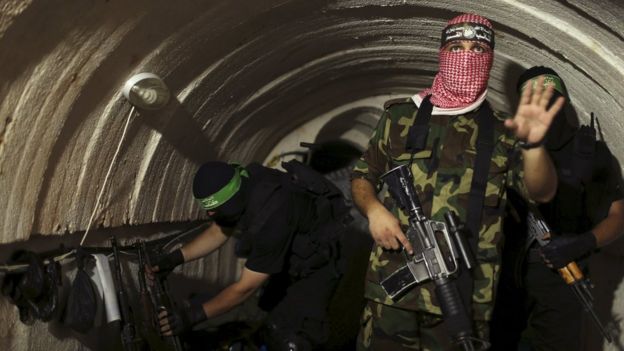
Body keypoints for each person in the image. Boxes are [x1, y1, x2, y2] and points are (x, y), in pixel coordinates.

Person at [351, 13, 564, 350]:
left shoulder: (501, 133)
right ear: (442, 53)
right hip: (393, 290)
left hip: (464, 298)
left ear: (490, 59)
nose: (466, 56)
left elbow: (543, 191)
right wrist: (374, 209)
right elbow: (363, 175)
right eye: (456, 46)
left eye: (478, 48)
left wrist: (534, 145)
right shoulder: (400, 117)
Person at [149, 160, 352, 350]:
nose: (210, 215)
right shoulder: (244, 181)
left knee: (294, 337)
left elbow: (244, 288)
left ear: (229, 201)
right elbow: (218, 230)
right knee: (267, 310)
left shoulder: (271, 217)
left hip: (320, 263)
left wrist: (192, 316)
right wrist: (175, 258)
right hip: (291, 252)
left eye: (214, 210)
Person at [490, 66, 624, 350]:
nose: (543, 105)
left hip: (562, 280)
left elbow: (618, 216)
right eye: (533, 98)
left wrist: (583, 242)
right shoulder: (506, 148)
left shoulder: (590, 153)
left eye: (551, 96)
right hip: (504, 280)